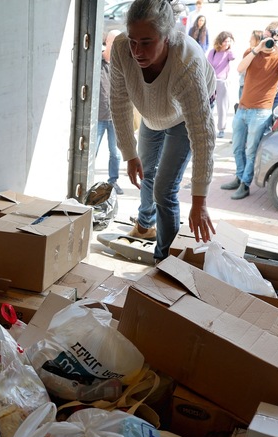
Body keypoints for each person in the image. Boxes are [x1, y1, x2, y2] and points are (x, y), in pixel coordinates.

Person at [110, 0, 216, 261]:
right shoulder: (122, 49)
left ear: (167, 37)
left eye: (146, 42)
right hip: (152, 112)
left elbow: (203, 135)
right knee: (145, 174)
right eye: (133, 40)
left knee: (164, 190)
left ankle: (165, 259)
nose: (137, 50)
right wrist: (129, 153)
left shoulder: (186, 63)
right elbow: (119, 101)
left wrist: (199, 201)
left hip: (182, 117)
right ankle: (145, 225)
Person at [222, 22, 278, 200]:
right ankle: (239, 177)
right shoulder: (252, 52)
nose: (266, 41)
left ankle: (245, 184)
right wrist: (257, 48)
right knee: (237, 147)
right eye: (264, 37)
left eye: (270, 37)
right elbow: (239, 69)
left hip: (261, 111)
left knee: (251, 150)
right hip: (243, 108)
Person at [97, 29, 124, 195]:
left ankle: (113, 181)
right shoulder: (95, 61)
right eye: (115, 44)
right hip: (98, 117)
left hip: (115, 117)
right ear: (107, 42)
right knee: (91, 153)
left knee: (116, 153)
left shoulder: (121, 65)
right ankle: (86, 182)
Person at [207, 31, 235, 138]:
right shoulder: (213, 52)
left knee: (222, 106)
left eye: (229, 41)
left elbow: (234, 58)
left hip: (222, 82)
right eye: (225, 41)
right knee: (209, 106)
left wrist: (230, 49)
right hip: (212, 81)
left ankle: (221, 128)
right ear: (220, 42)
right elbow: (208, 65)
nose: (227, 43)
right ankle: (208, 127)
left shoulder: (228, 53)